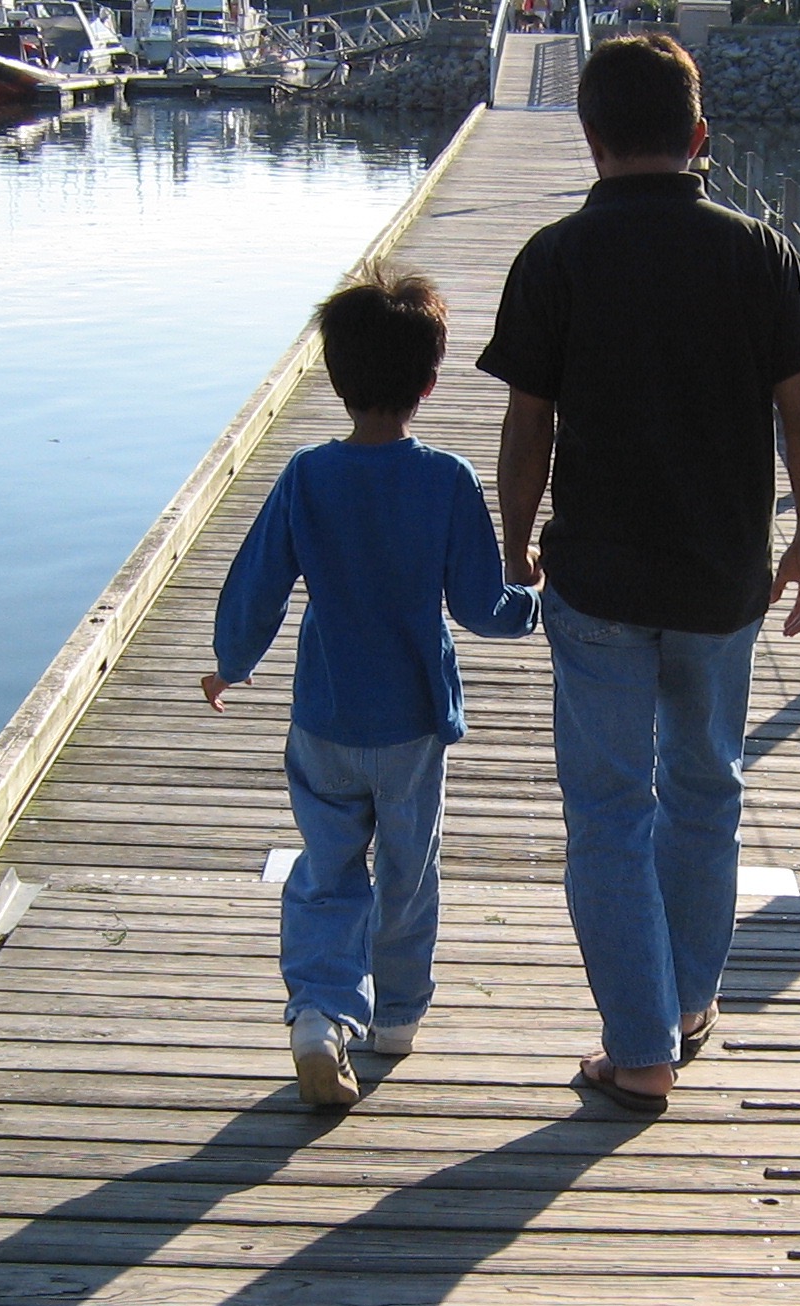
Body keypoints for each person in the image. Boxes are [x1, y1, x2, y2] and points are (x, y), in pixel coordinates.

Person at [477, 34, 800, 1114]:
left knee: (606, 809)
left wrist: (514, 540)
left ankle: (639, 1050)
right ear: (697, 139)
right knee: (704, 792)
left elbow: (526, 427)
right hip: (722, 581)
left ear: (588, 140)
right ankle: (685, 1005)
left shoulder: (552, 258)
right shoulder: (760, 255)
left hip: (595, 583)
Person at [203, 269, 540, 1107]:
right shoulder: (448, 480)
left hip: (324, 716)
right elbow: (480, 608)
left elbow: (257, 587)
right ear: (430, 384)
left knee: (327, 869)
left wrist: (231, 662)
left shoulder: (307, 477)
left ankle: (320, 1013)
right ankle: (395, 1019)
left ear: (335, 377)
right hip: (413, 724)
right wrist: (537, 600)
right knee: (407, 867)